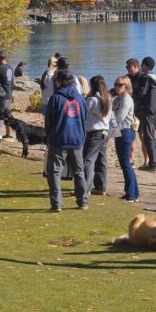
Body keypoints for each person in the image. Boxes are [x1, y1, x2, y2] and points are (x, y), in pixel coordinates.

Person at [44, 70, 88, 212]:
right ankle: (83, 201)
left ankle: (57, 203)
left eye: (56, 80)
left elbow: (48, 121)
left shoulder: (55, 98)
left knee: (55, 172)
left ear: (60, 81)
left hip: (59, 139)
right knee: (79, 171)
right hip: (76, 139)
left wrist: (50, 136)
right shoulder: (81, 98)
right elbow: (84, 118)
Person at [110, 75, 139, 202]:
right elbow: (111, 113)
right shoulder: (117, 99)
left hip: (126, 131)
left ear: (126, 86)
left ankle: (132, 195)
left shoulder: (127, 100)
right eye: (116, 84)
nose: (117, 87)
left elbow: (119, 117)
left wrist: (109, 122)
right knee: (123, 163)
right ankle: (131, 192)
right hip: (118, 130)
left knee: (126, 163)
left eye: (120, 85)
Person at [82, 75, 112, 199]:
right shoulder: (108, 98)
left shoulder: (92, 100)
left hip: (95, 133)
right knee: (101, 159)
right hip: (105, 131)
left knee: (87, 160)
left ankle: (85, 189)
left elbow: (83, 112)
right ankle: (100, 186)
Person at [132, 56, 156, 171]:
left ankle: (153, 164)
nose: (141, 66)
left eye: (142, 64)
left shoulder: (145, 77)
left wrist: (136, 107)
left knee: (148, 137)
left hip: (147, 110)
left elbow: (141, 93)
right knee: (151, 136)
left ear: (146, 65)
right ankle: (155, 162)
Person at [0, 51, 15, 138]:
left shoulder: (0, 68)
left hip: (2, 94)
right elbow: (12, 81)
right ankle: (8, 133)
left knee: (3, 114)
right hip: (9, 93)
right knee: (7, 113)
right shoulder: (10, 67)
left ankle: (8, 134)